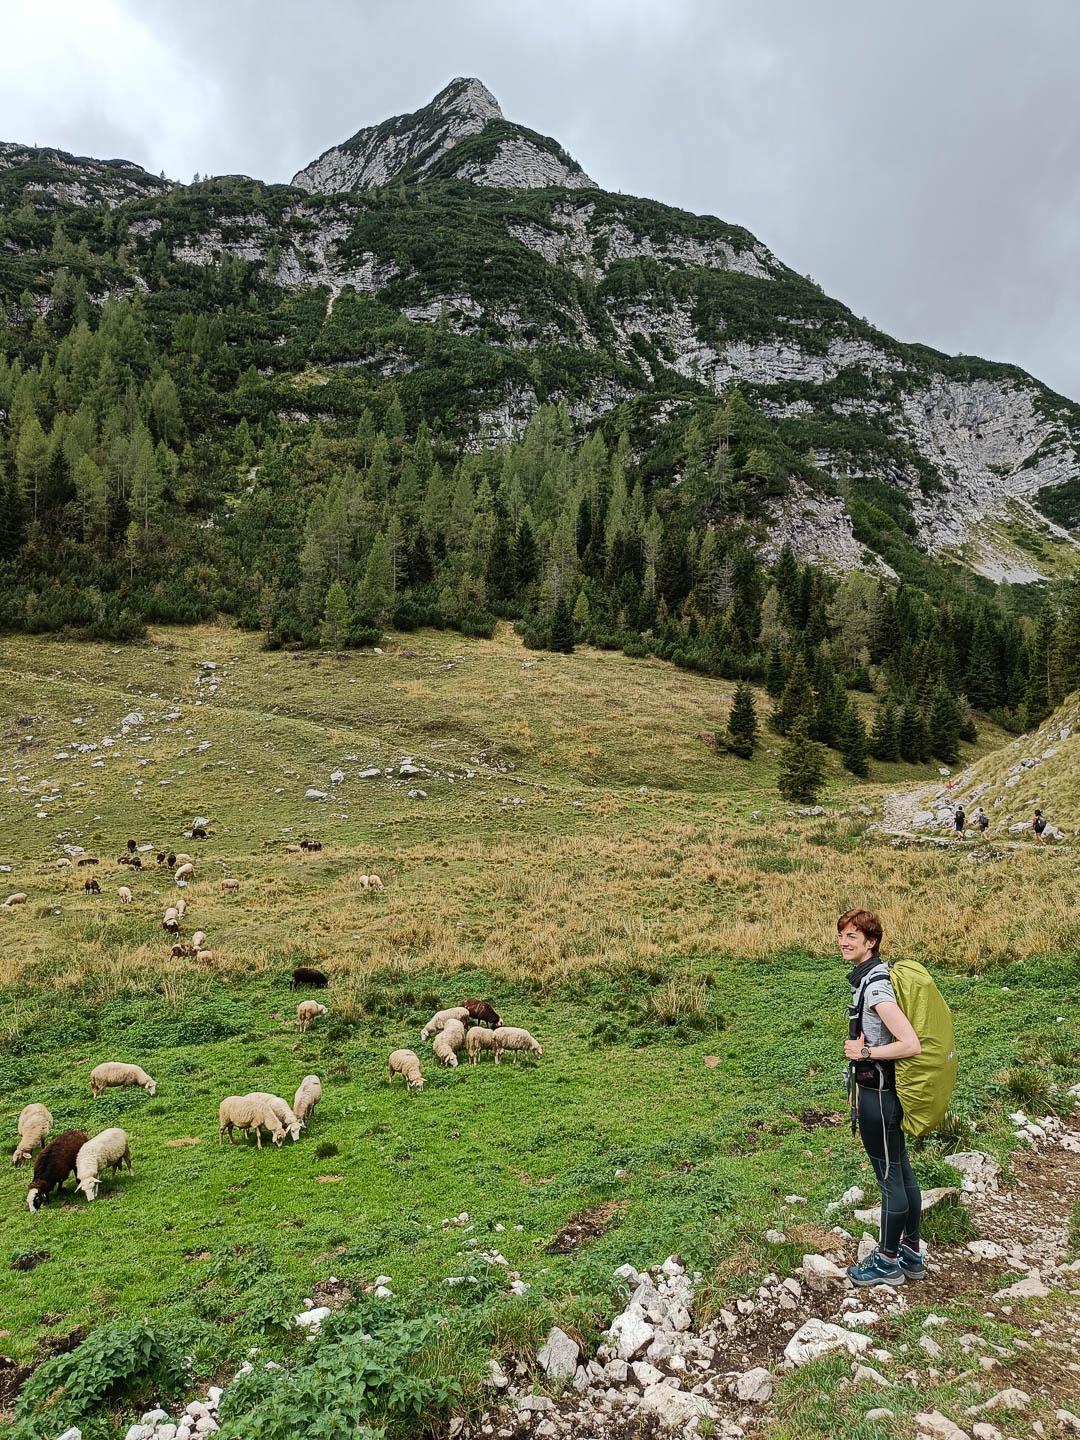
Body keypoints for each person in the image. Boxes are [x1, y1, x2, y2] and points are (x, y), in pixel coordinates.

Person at [838, 908, 924, 1287]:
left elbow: (910, 1044)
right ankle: (911, 1250)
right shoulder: (870, 978)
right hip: (883, 1094)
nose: (843, 942)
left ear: (870, 942)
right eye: (841, 935)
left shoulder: (875, 987)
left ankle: (888, 1260)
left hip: (880, 1096)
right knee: (902, 1172)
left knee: (889, 1178)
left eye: (852, 937)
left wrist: (865, 1054)